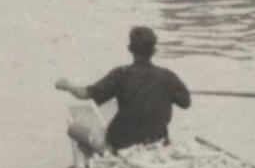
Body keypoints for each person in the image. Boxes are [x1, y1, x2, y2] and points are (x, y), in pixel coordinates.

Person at [57, 26, 191, 153]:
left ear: (129, 49)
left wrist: (67, 85)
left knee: (74, 129)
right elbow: (186, 103)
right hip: (158, 142)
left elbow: (84, 94)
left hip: (122, 144)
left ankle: (101, 149)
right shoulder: (167, 76)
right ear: (154, 51)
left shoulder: (121, 74)